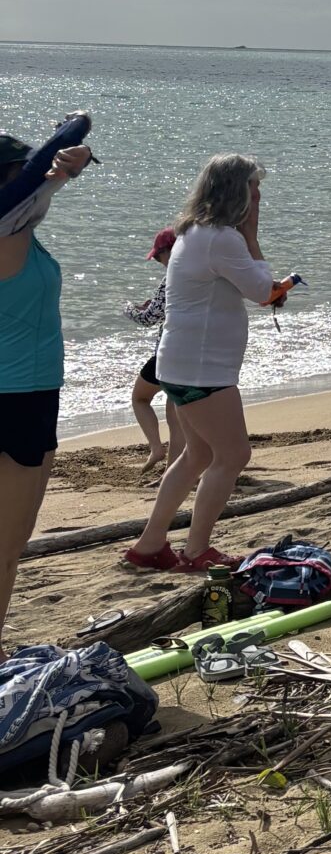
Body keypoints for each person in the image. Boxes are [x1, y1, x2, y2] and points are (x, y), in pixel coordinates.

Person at [123, 157, 292, 574]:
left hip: (179, 364)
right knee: (234, 454)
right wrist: (252, 236)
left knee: (197, 456)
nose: (259, 195)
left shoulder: (192, 232)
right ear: (236, 190)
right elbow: (260, 291)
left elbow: (250, 288)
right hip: (203, 370)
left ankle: (149, 545)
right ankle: (197, 550)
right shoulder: (223, 239)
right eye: (254, 187)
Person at [0, 119, 95, 653]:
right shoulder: (4, 236)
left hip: (31, 394)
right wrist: (55, 169)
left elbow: (30, 200)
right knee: (6, 546)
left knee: (11, 543)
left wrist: (59, 174)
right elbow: (25, 199)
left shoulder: (18, 233)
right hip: (14, 400)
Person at [127, 227, 180, 479]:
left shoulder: (171, 275)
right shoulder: (201, 271)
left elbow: (149, 319)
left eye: (159, 257)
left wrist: (129, 310)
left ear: (169, 251)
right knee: (176, 416)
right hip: (193, 352)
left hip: (168, 353)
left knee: (139, 398)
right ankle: (174, 471)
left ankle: (156, 448)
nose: (159, 262)